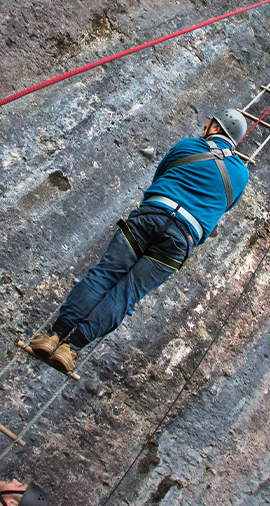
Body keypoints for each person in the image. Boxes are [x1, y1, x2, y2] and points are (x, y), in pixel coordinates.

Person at [29, 109, 250, 373]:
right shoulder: (241, 176)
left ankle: (54, 335)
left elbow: (161, 175)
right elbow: (224, 207)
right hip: (179, 241)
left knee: (103, 276)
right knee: (127, 293)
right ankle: (71, 348)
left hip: (149, 217)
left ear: (216, 128)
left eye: (209, 123)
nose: (204, 124)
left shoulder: (188, 146)